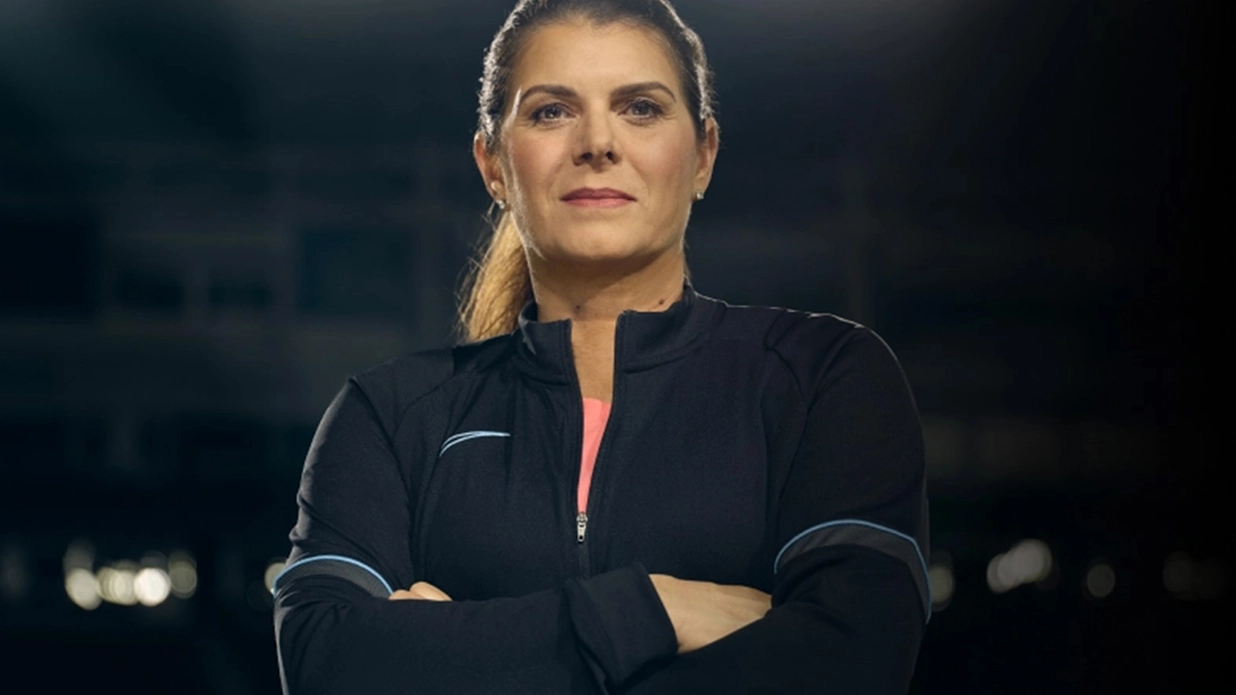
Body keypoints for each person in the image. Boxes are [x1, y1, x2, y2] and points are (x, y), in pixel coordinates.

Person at [272, 1, 930, 693]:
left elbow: (849, 666)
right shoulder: (388, 415)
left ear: (703, 154)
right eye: (551, 111)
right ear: (493, 163)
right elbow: (331, 665)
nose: (598, 142)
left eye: (640, 108)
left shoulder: (824, 376)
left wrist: (457, 647)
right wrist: (652, 611)